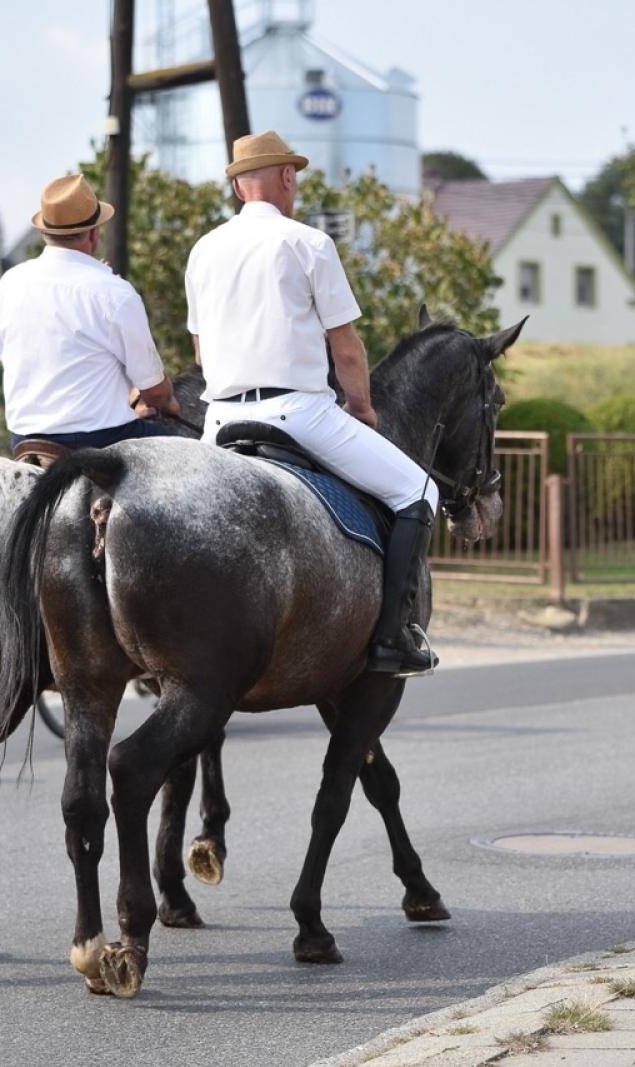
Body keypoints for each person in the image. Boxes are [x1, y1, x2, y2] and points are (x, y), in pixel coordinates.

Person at [183, 130, 441, 677]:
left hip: (219, 420)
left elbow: (201, 353)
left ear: (237, 187)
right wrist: (362, 408)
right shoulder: (309, 243)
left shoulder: (203, 250)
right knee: (419, 490)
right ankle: (393, 636)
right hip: (297, 415)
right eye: (293, 177)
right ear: (286, 177)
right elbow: (345, 348)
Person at [0, 173, 182, 452]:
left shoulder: (10, 282)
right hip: (100, 440)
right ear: (94, 233)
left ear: (45, 232)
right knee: (195, 453)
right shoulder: (114, 292)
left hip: (24, 439)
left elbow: (7, 355)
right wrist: (170, 404)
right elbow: (154, 392)